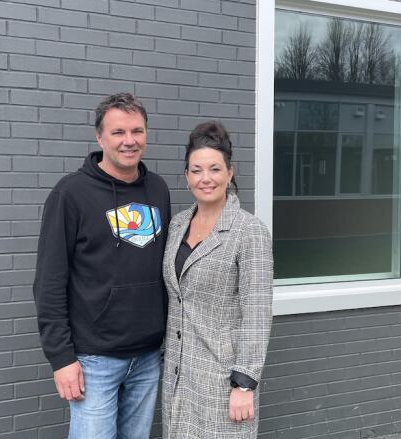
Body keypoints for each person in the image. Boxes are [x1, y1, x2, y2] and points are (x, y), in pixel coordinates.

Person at [32, 92, 170, 438]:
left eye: (137, 131)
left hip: (148, 355)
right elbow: (49, 281)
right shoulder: (71, 194)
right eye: (118, 132)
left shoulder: (158, 190)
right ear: (99, 137)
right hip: (94, 360)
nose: (129, 141)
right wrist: (61, 358)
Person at [161, 121, 273, 438]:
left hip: (222, 380)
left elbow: (258, 312)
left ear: (229, 173)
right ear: (186, 176)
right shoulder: (178, 224)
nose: (205, 178)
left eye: (214, 169)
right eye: (196, 170)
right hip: (179, 375)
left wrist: (244, 382)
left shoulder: (248, 231)